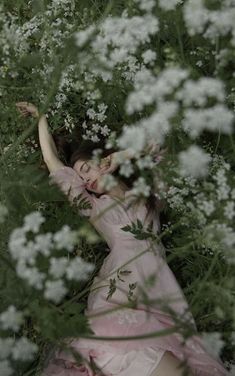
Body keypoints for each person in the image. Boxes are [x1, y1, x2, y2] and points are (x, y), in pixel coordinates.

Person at [16, 101, 229, 376]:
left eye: (87, 168)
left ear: (104, 160)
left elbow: (163, 146)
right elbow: (53, 164)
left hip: (159, 294)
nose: (85, 179)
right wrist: (41, 118)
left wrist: (119, 157)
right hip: (119, 295)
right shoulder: (95, 208)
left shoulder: (145, 193)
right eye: (80, 176)